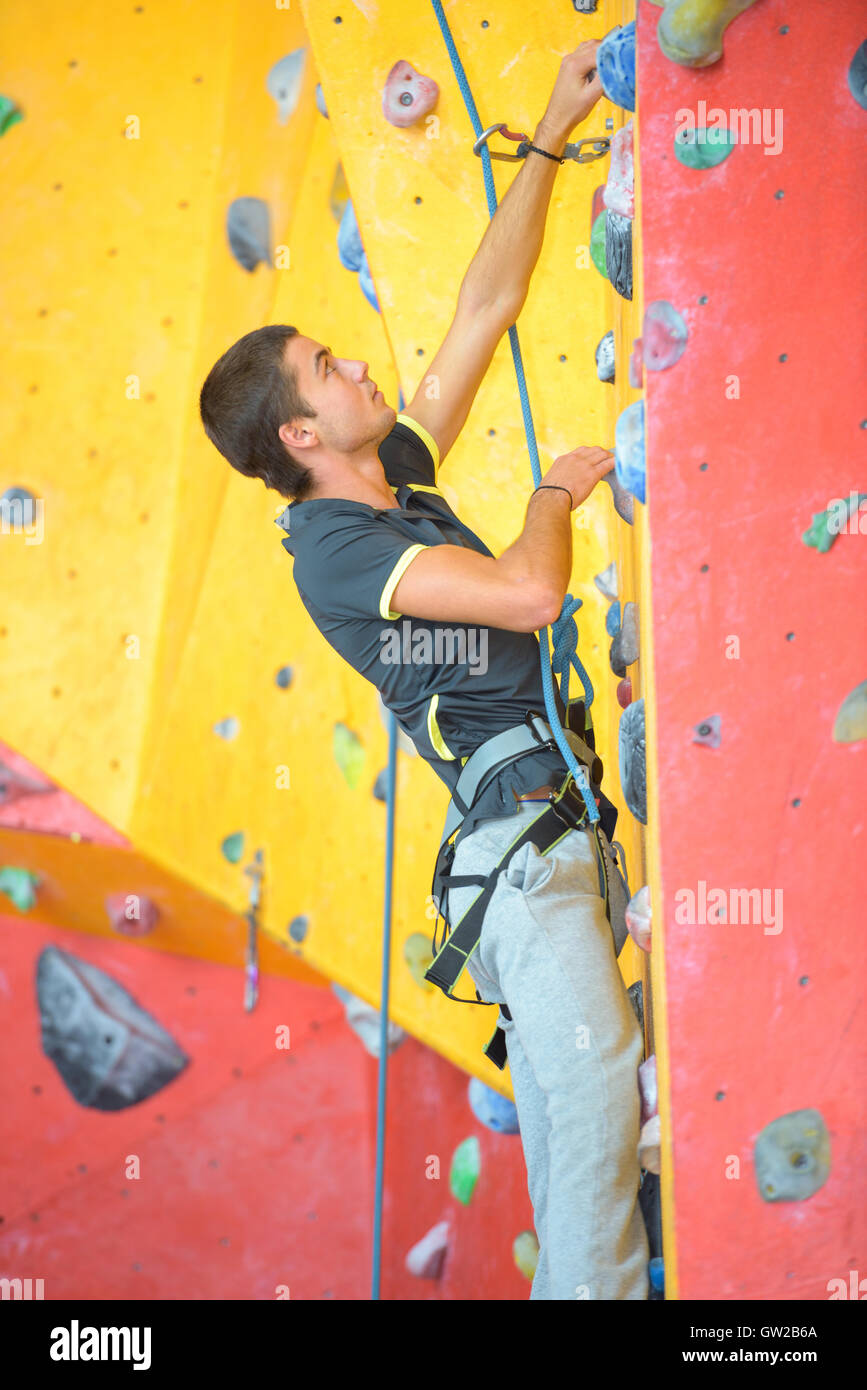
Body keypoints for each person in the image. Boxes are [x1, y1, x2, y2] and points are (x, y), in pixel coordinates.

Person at [199, 40, 648, 1300]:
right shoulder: (337, 555)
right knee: (600, 1102)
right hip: (524, 874)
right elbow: (527, 591)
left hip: (557, 855)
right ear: (301, 435)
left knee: (582, 1166)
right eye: (328, 369)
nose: (356, 365)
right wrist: (557, 490)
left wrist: (555, 130)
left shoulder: (390, 476)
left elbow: (480, 310)